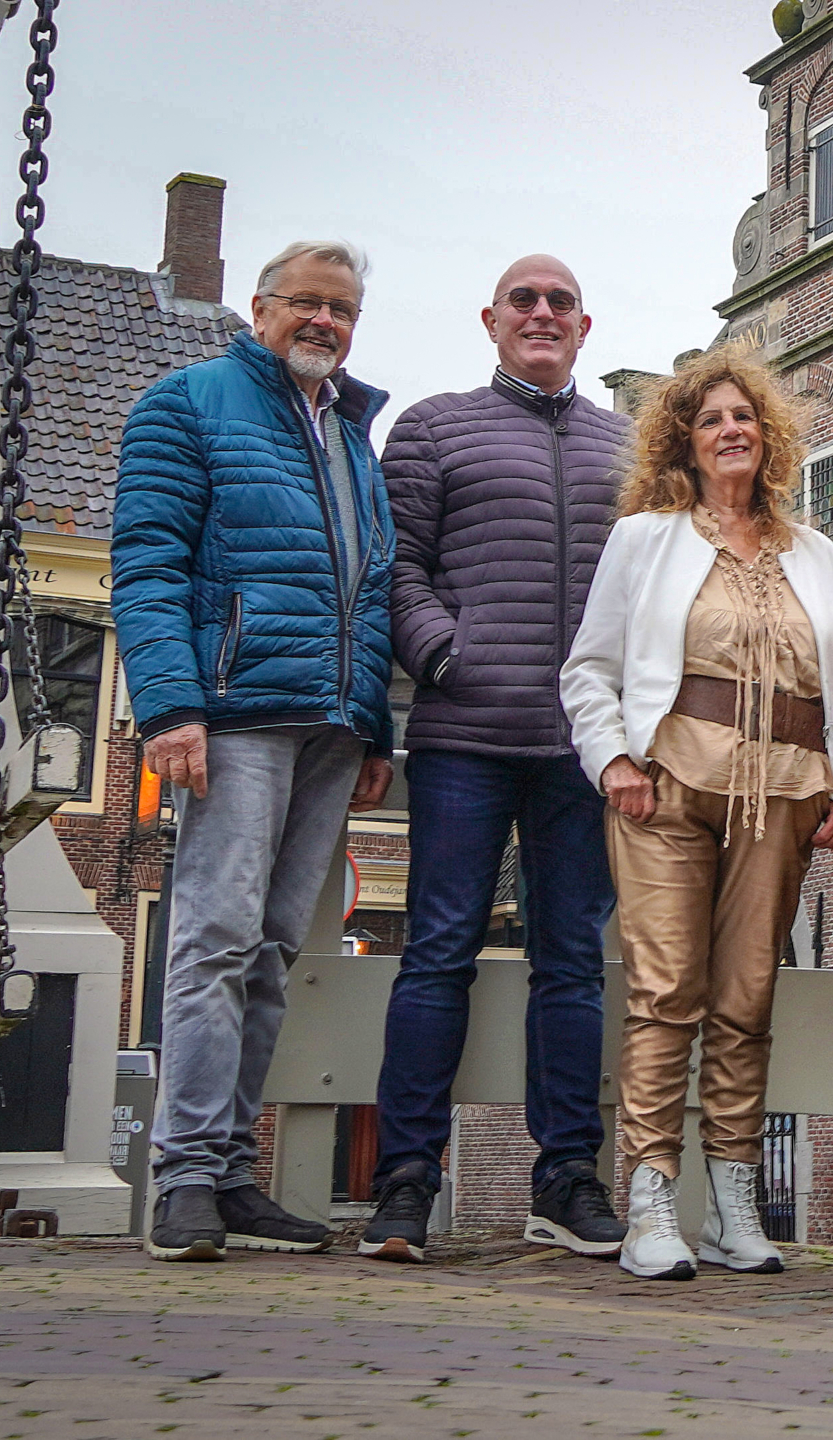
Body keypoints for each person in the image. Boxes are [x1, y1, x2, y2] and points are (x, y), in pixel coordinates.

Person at [113, 240, 397, 1262]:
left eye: (344, 310)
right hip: (231, 712)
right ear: (260, 306)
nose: (326, 323)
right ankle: (183, 1177)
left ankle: (232, 1170)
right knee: (214, 939)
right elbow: (145, 565)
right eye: (308, 304)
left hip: (326, 725)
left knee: (276, 951)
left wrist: (374, 721)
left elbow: (369, 590)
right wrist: (169, 708)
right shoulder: (186, 404)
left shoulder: (353, 436)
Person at [559, 346, 833, 1282]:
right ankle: (651, 1195)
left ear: (767, 436)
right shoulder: (646, 538)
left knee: (747, 999)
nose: (731, 430)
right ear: (684, 444)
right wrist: (613, 758)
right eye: (710, 420)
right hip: (668, 785)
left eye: (745, 417)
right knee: (665, 992)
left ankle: (735, 1197)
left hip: (784, 791)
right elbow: (591, 667)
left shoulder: (814, 554)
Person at [358, 256, 629, 1264]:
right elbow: (397, 571)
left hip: (580, 748)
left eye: (561, 301)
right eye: (525, 298)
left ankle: (565, 1177)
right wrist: (442, 654)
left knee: (573, 965)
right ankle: (407, 1182)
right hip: (465, 737)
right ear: (490, 319)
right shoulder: (432, 427)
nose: (543, 313)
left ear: (585, 326)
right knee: (437, 952)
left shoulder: (626, 443)